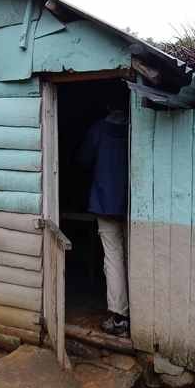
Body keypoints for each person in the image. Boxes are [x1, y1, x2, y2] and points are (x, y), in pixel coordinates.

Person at [77, 101, 129, 337]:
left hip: (105, 202)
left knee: (113, 258)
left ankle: (119, 316)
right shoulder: (134, 127)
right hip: (135, 204)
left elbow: (83, 161)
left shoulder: (98, 130)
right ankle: (141, 314)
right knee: (135, 256)